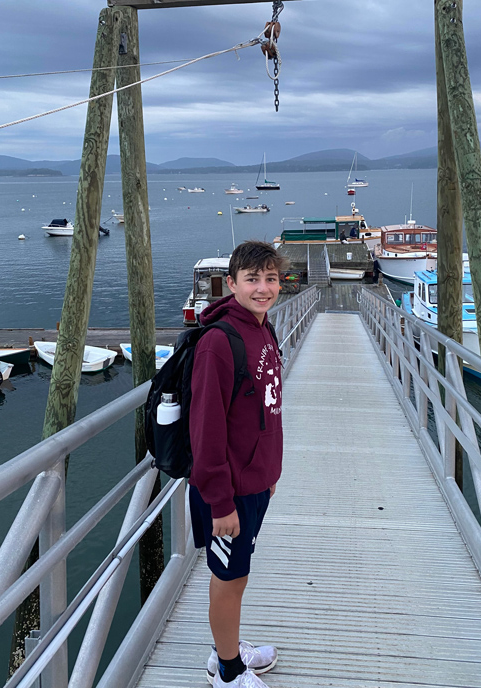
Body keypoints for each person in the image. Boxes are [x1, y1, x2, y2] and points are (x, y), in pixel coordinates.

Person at [189, 240, 287, 687]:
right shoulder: (218, 343)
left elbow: (263, 410)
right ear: (231, 284)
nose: (263, 288)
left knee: (237, 575)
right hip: (226, 493)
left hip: (253, 483)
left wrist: (268, 475)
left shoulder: (263, 327)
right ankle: (228, 672)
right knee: (229, 578)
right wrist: (220, 501)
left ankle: (224, 649)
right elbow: (206, 432)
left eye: (270, 278)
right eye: (252, 279)